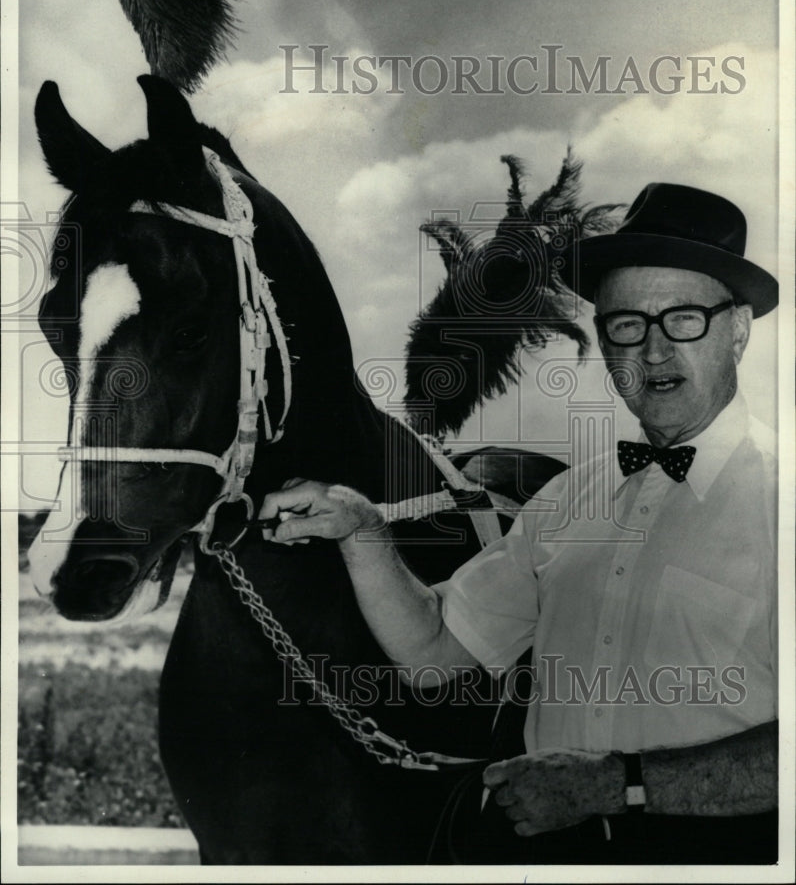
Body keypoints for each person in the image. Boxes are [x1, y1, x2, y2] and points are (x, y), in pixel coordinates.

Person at [260, 183, 779, 864]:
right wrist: (361, 531)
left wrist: (618, 788)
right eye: (627, 324)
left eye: (683, 319)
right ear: (602, 338)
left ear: (737, 329)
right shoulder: (568, 502)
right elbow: (434, 654)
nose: (653, 351)